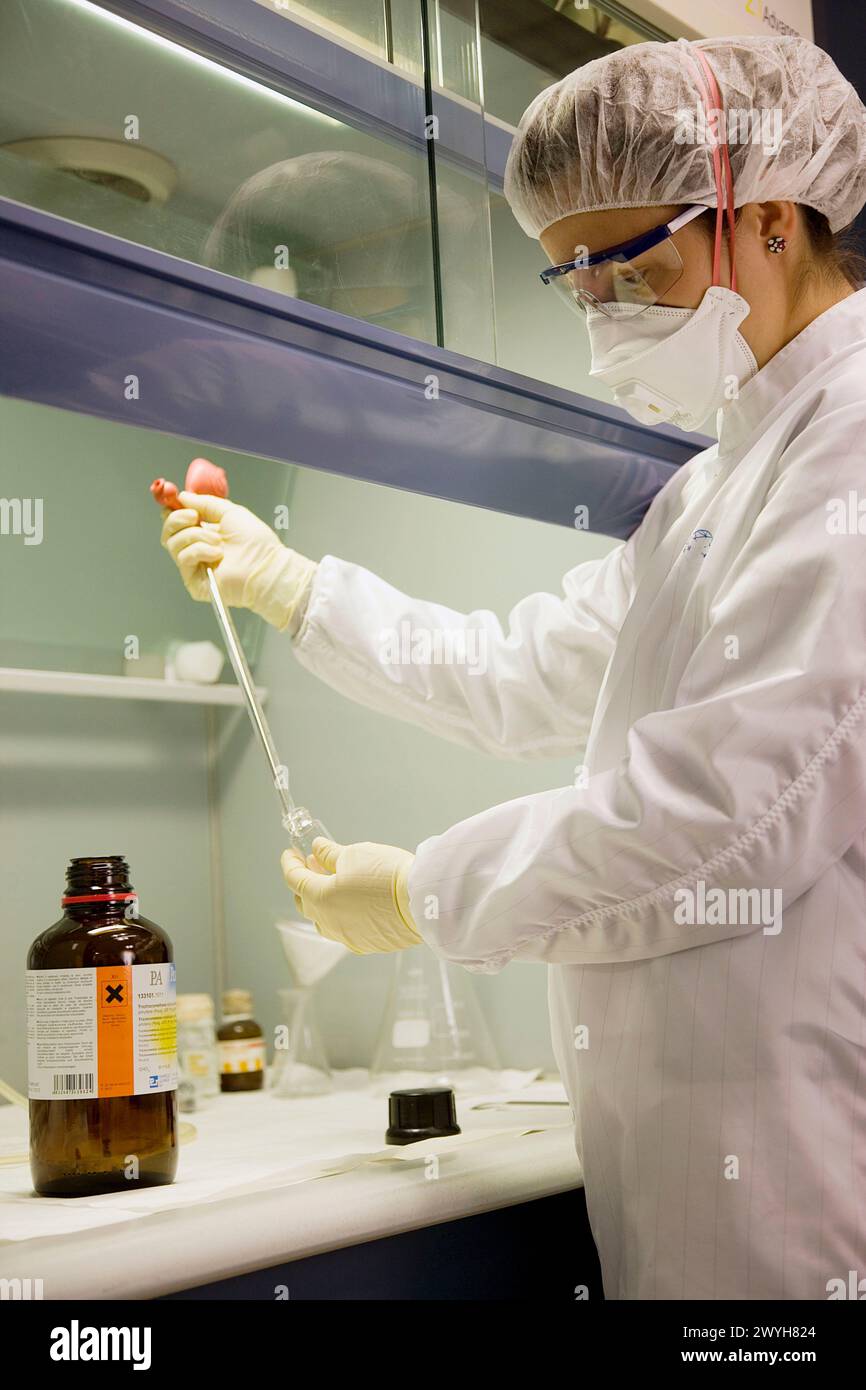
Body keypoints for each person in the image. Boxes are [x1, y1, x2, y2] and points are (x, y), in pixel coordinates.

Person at [161, 35, 866, 1300]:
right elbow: (522, 670)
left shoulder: (851, 440)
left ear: (766, 215)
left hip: (807, 1171)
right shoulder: (720, 482)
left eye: (632, 267)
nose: (605, 317)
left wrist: (425, 891)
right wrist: (292, 586)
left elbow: (725, 818)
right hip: (703, 1162)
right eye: (574, 284)